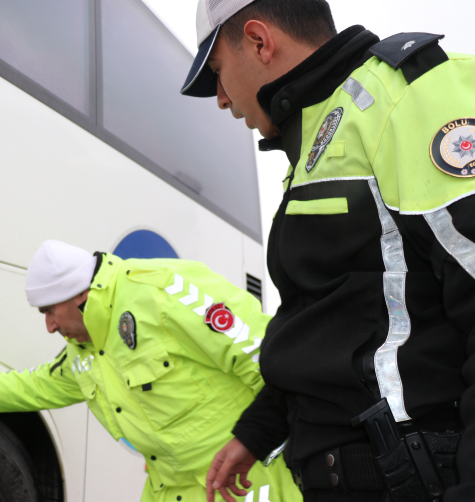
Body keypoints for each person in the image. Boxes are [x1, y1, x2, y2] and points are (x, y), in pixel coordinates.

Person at [180, 0, 475, 501]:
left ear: (258, 40)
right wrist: (257, 431)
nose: (222, 100)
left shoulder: (408, 94)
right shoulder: (312, 143)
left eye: (218, 73)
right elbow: (329, 318)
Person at [0, 240, 300, 502]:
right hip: (171, 490)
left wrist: (258, 441)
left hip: (246, 482)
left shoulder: (163, 292)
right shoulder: (85, 352)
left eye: (49, 311)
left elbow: (269, 358)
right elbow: (38, 385)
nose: (50, 327)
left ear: (78, 295)